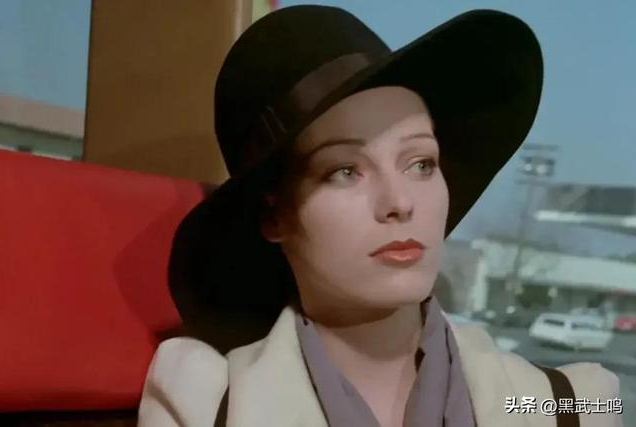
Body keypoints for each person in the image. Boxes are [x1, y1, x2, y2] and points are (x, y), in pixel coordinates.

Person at [137, 5, 623, 427]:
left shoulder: (569, 404)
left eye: (421, 164)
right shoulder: (208, 403)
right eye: (345, 171)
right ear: (274, 215)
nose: (400, 201)